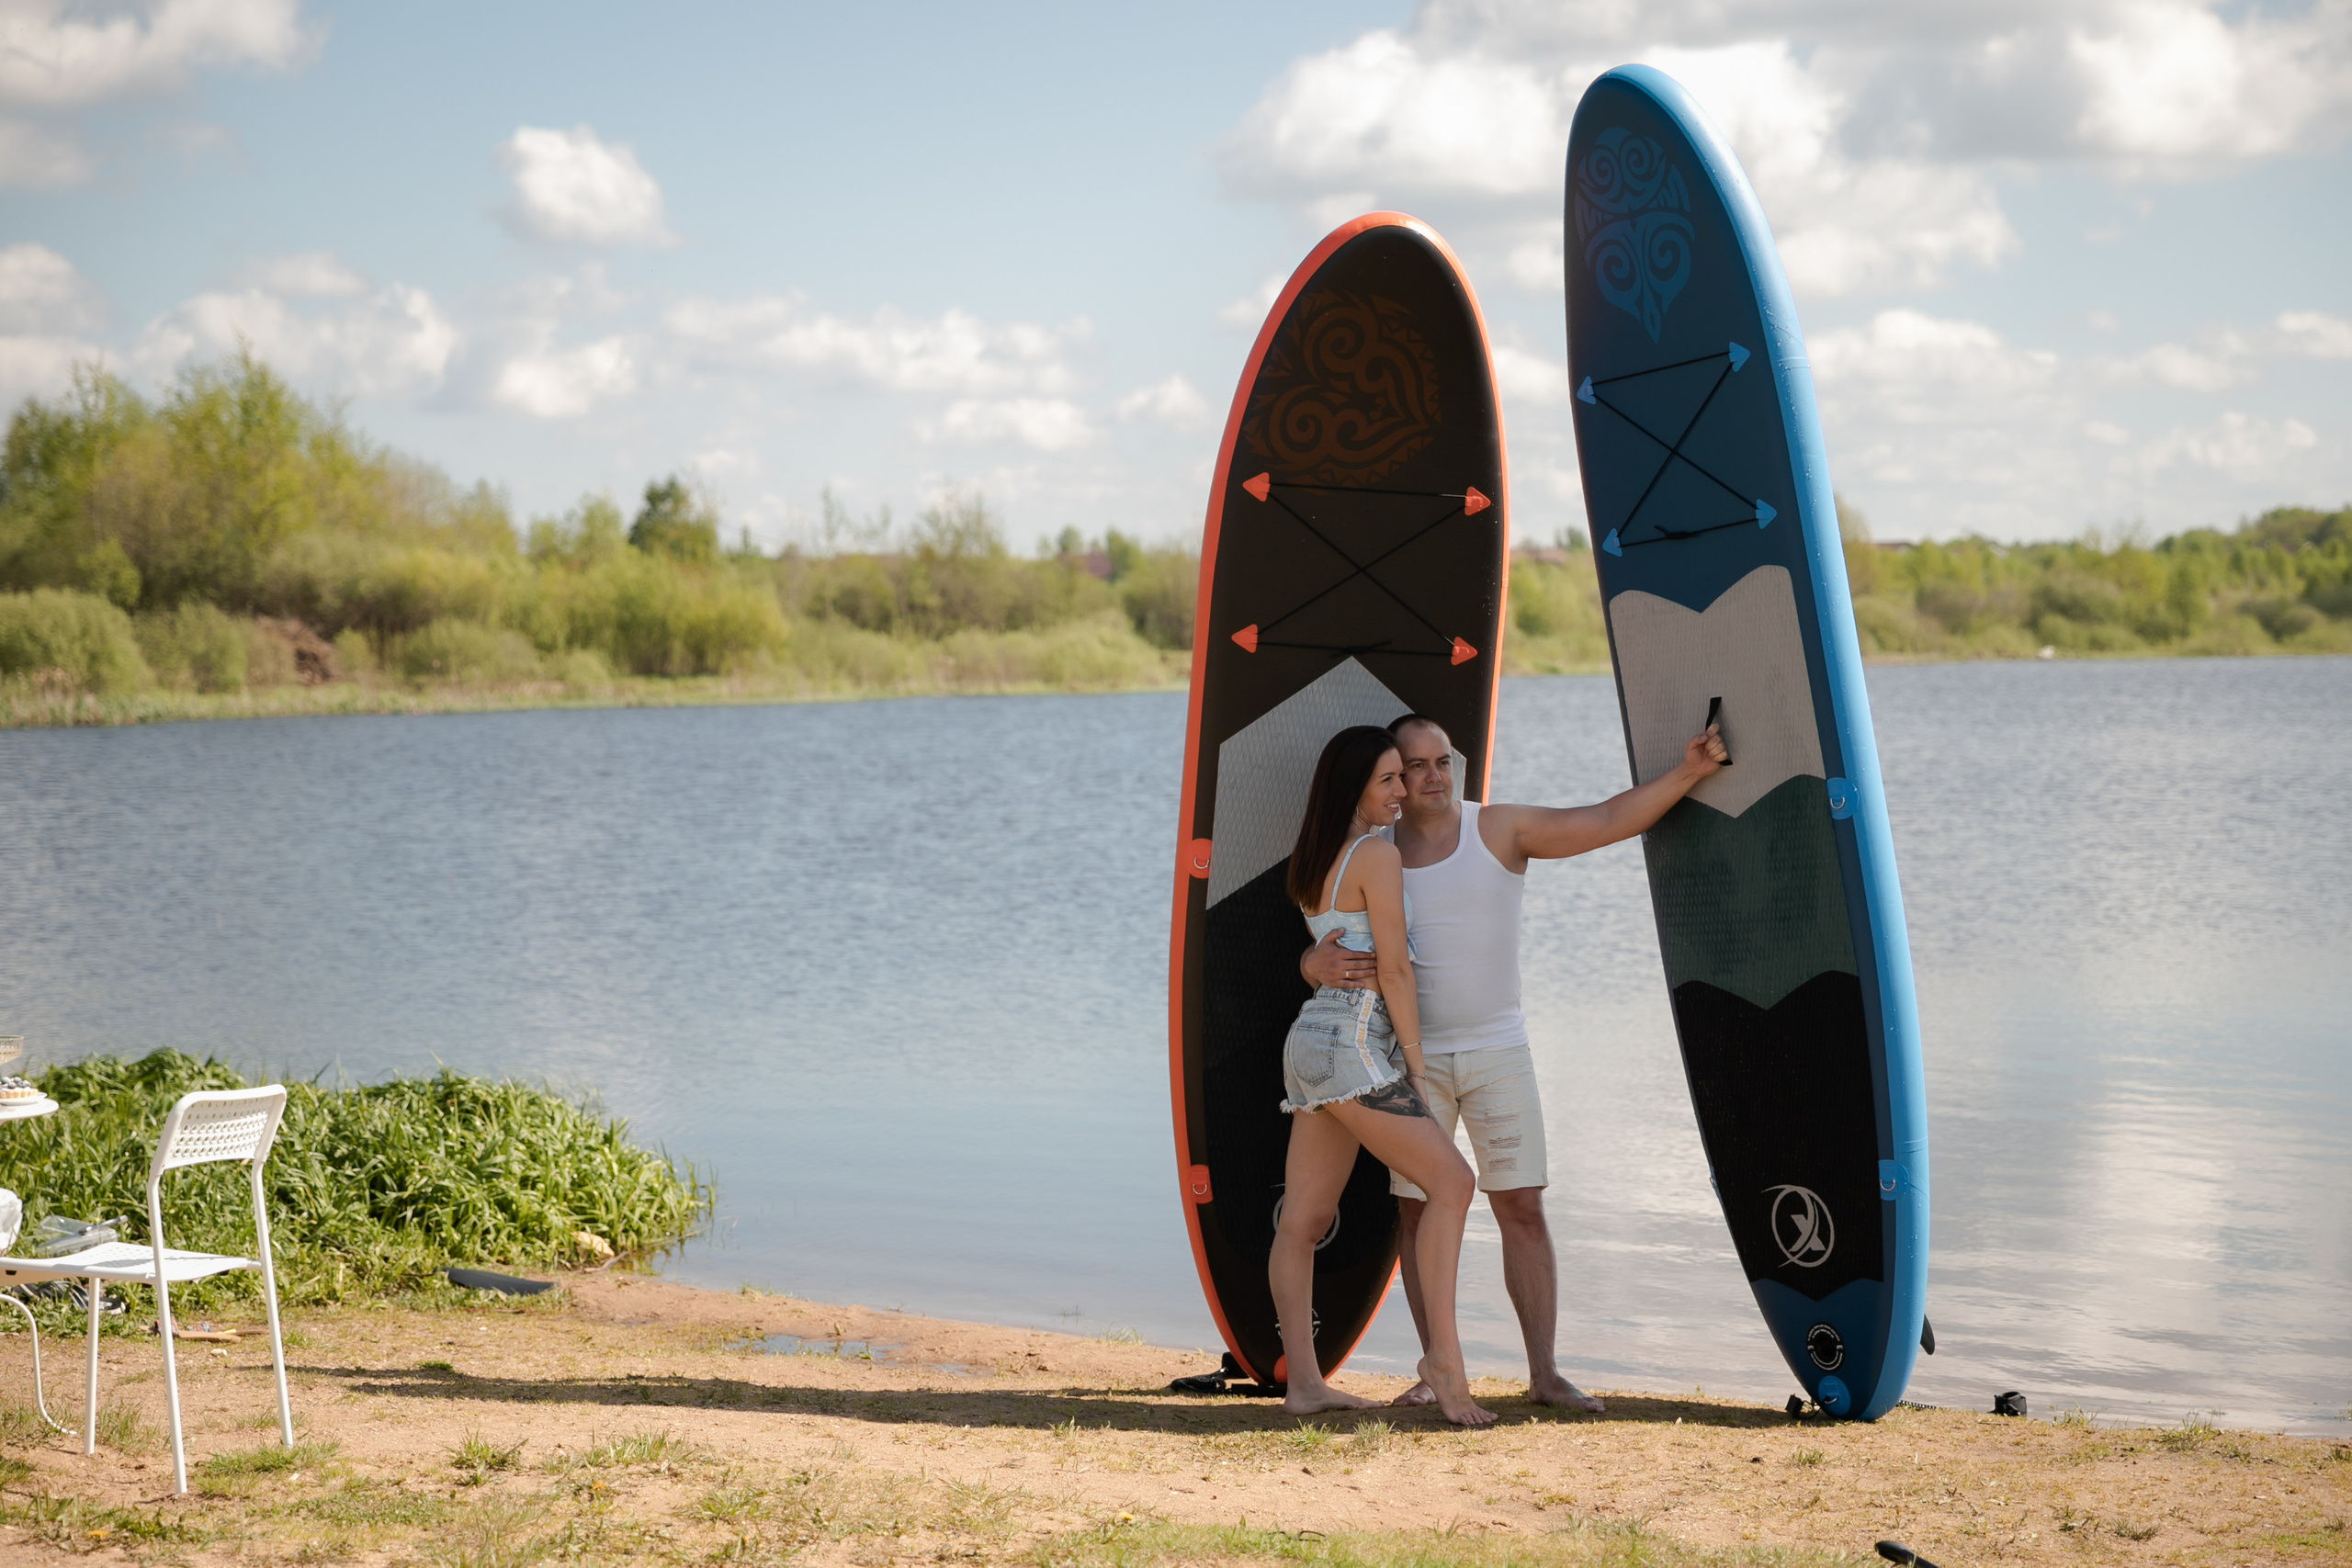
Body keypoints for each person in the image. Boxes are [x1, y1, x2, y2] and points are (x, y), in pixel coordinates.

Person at [1302, 710, 1728, 1411]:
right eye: (1416, 765)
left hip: (1501, 1048)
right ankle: (1437, 1363)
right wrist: (1310, 960)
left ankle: (1545, 1372)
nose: (1434, 776)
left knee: (1522, 1206)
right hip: (1409, 1058)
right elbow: (1328, 930)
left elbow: (1608, 818)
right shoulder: (1374, 850)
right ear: (1395, 778)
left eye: (1444, 761)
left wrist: (1690, 771)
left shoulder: (1498, 829)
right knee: (1415, 1215)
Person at [1271, 726, 1496, 1427]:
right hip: (1355, 1046)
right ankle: (1445, 1366)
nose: (1403, 792)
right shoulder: (1376, 855)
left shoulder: (1316, 858)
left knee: (1302, 1222)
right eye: (1388, 781)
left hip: (1311, 1041)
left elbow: (1325, 953)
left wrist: (1313, 968)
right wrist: (1416, 1061)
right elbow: (1393, 967)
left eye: (1405, 777)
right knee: (1454, 1183)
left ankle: (1304, 1384)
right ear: (1355, 790)